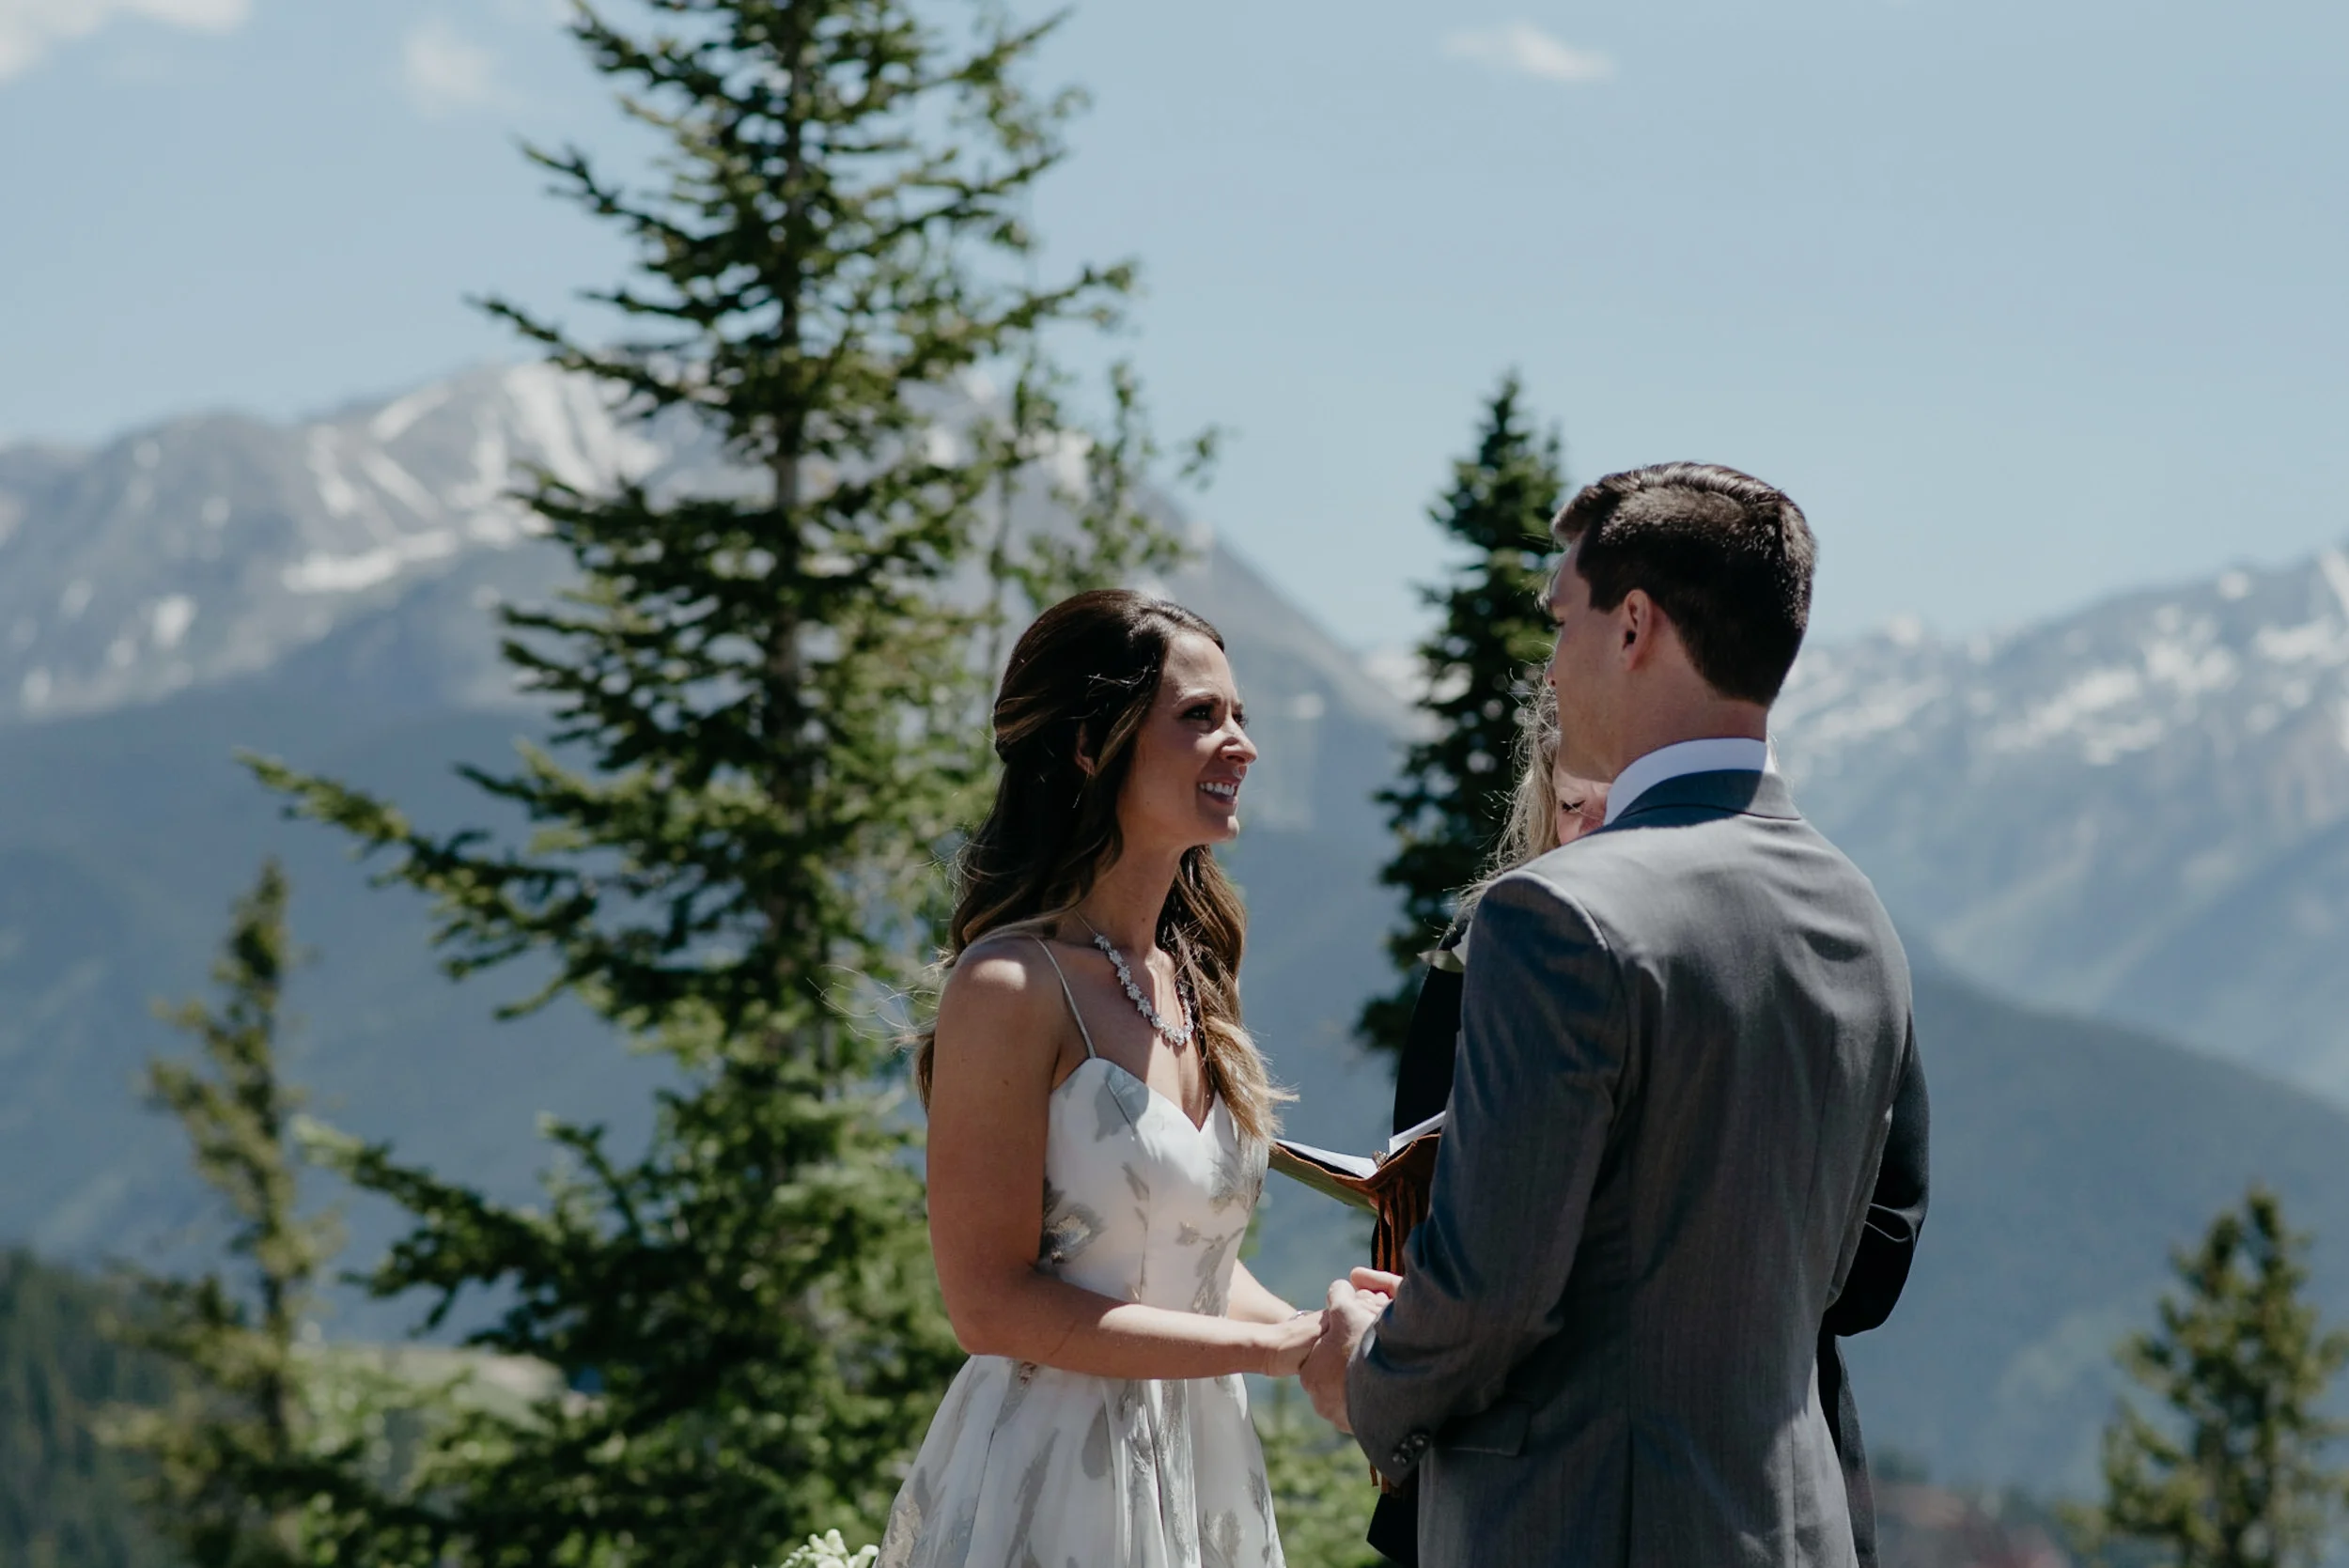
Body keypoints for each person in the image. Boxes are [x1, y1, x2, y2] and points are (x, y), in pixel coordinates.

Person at [1303, 462, 1921, 1567]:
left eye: (1560, 620)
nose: (1551, 664)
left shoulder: (1556, 913)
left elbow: (1491, 1294)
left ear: (1632, 624)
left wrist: (1365, 1369)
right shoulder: (1854, 910)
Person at [880, 588, 1318, 1568]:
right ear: (1090, 745)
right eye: (1199, 716)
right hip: (1049, 1483)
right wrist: (1266, 1352)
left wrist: (1316, 1330)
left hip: (1199, 1467)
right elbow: (989, 1304)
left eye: (1238, 715)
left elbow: (1185, 1255)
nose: (1239, 743)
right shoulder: (1008, 985)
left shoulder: (1194, 974)